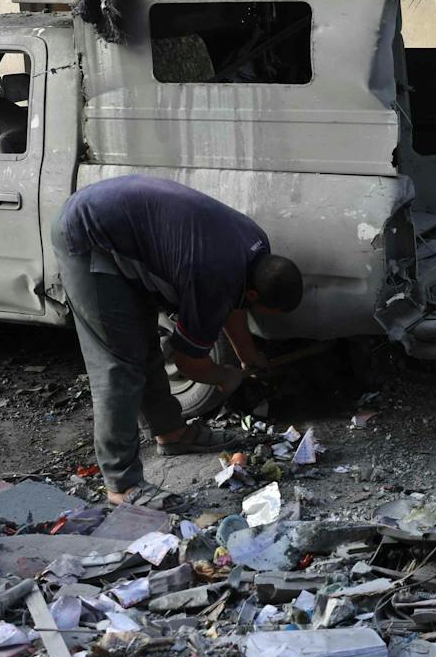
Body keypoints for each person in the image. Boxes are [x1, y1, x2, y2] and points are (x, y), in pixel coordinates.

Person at [52, 175, 303, 509]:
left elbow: (234, 304)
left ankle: (171, 434)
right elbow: (188, 361)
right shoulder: (214, 276)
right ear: (255, 293)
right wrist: (223, 376)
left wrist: (247, 354)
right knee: (119, 365)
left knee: (143, 347)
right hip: (88, 236)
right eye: (262, 308)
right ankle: (122, 485)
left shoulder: (255, 245)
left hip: (117, 223)